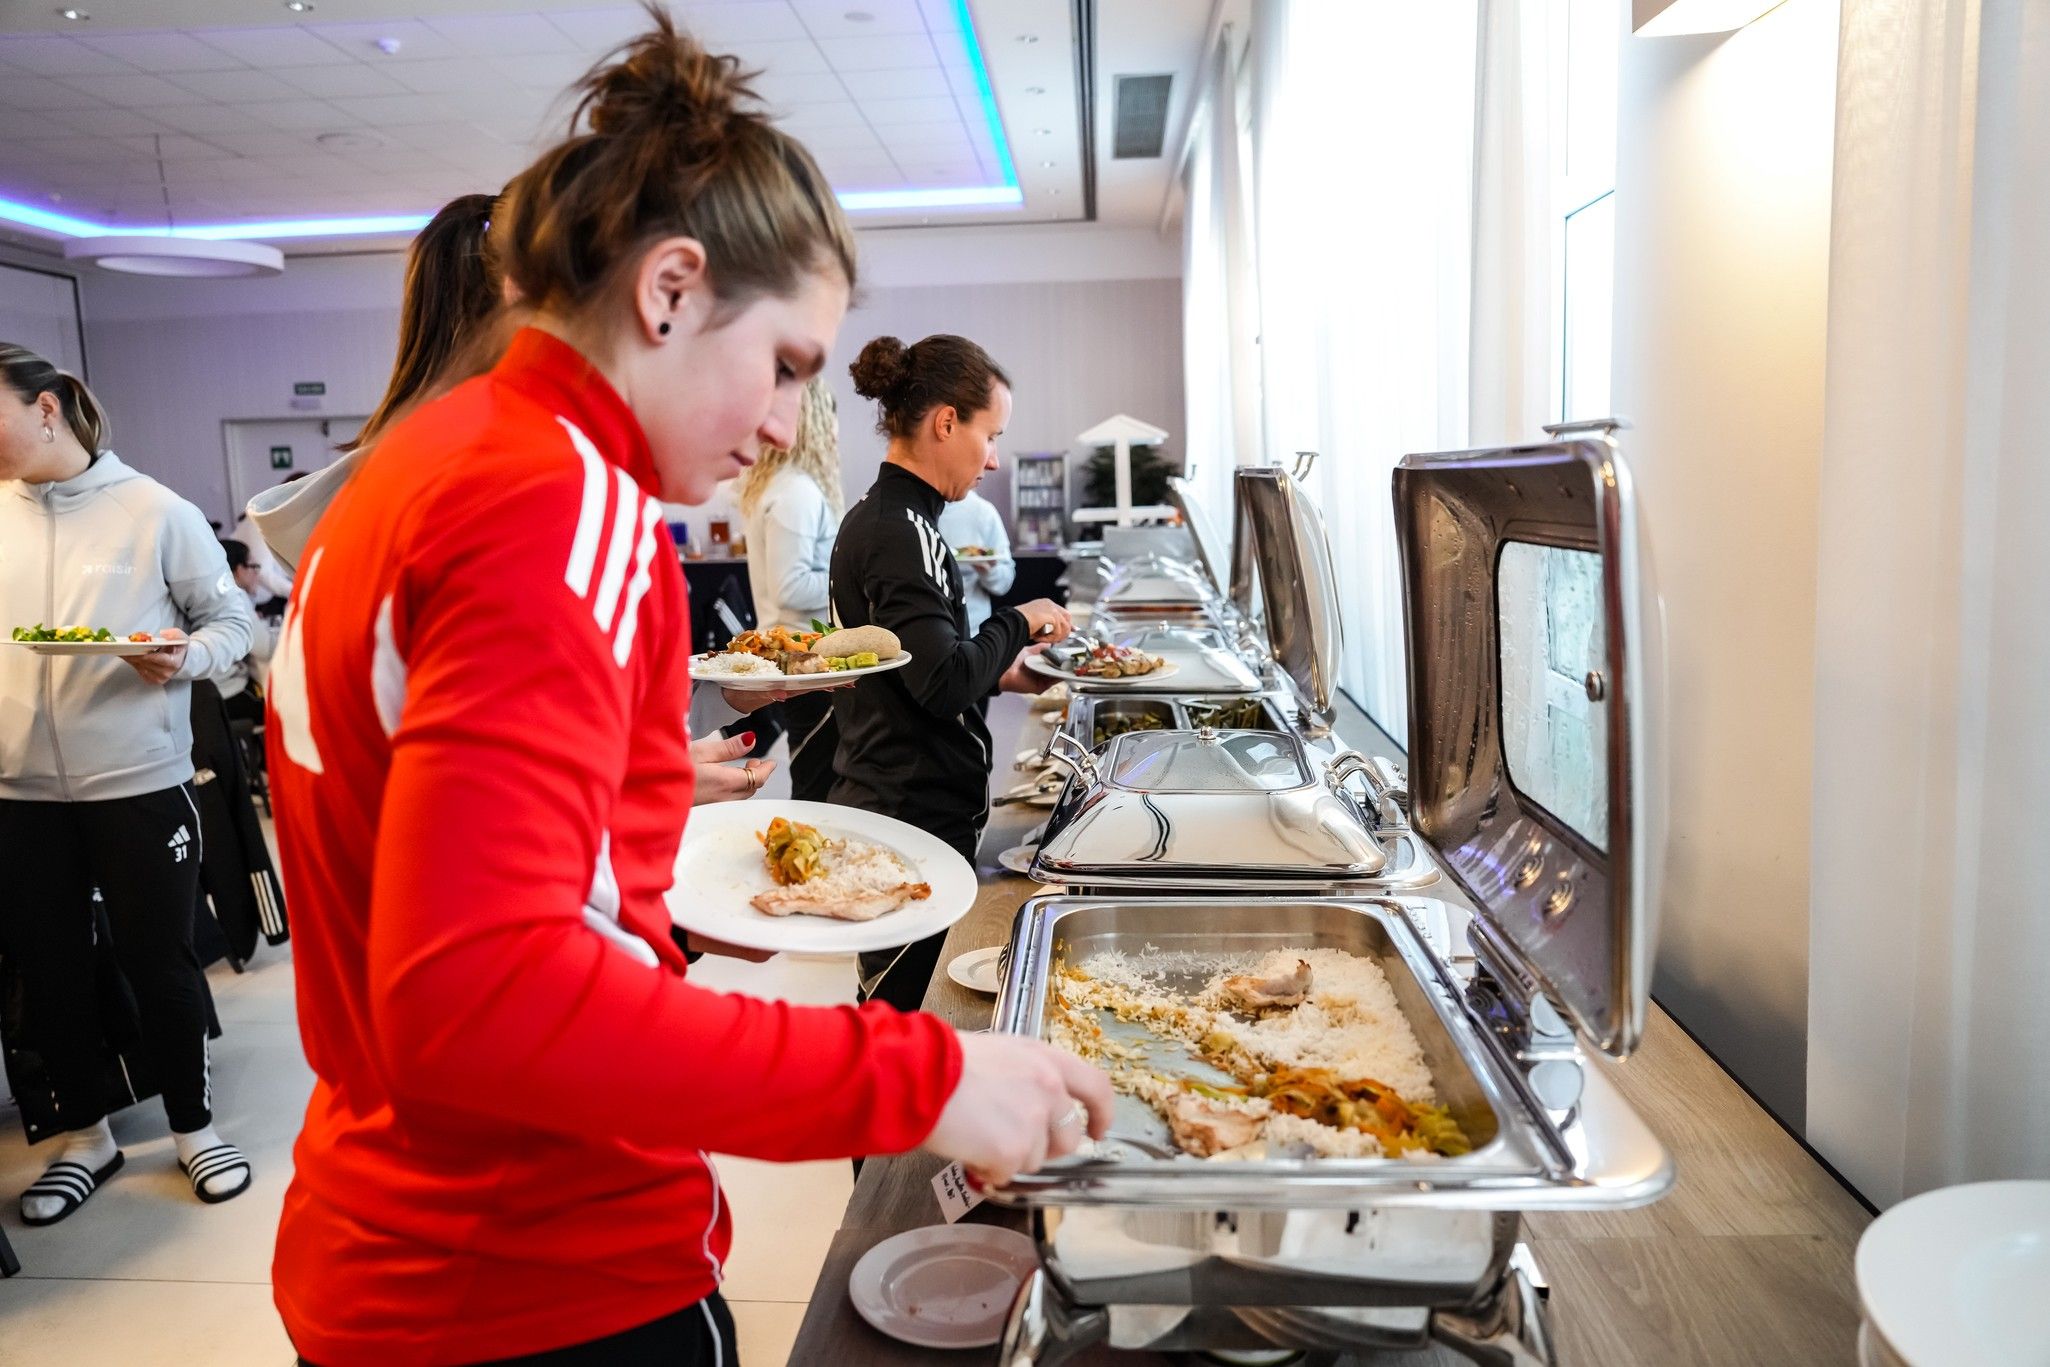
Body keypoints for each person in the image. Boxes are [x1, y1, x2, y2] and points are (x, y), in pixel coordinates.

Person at [263, 17, 1110, 1366]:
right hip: (531, 1265)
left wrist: (648, 904)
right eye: (782, 365)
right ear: (668, 290)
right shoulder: (556, 500)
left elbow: (436, 877)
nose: (781, 424)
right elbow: (480, 995)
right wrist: (923, 1075)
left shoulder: (426, 459)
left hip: (391, 1231)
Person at [0, 343, 258, 1224]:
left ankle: (194, 1127)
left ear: (45, 408)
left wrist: (187, 657)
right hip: (19, 793)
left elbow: (233, 622)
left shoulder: (153, 510)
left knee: (162, 961)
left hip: (138, 781)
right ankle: (87, 1136)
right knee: (50, 971)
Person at [832, 334, 1073, 1011]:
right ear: (946, 422)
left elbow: (914, 668)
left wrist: (1001, 675)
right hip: (910, 815)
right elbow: (941, 684)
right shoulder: (897, 531)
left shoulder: (895, 519)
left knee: (899, 1012)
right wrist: (1019, 620)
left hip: (910, 807)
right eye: (989, 436)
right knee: (901, 1016)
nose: (993, 458)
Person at [736, 376, 843, 800]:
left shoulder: (782, 485)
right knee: (819, 785)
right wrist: (848, 580)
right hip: (804, 659)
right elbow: (791, 588)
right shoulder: (797, 491)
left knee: (816, 776)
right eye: (832, 419)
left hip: (800, 659)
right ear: (815, 421)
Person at [937, 486, 1017, 634]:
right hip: (928, 623)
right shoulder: (915, 508)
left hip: (974, 628)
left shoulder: (983, 511)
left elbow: (1005, 580)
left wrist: (990, 572)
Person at [216, 538, 276, 723]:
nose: (257, 573)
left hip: (210, 697)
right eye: (253, 566)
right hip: (231, 694)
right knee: (286, 708)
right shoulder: (235, 596)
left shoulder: (213, 594)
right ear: (237, 569)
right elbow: (265, 649)